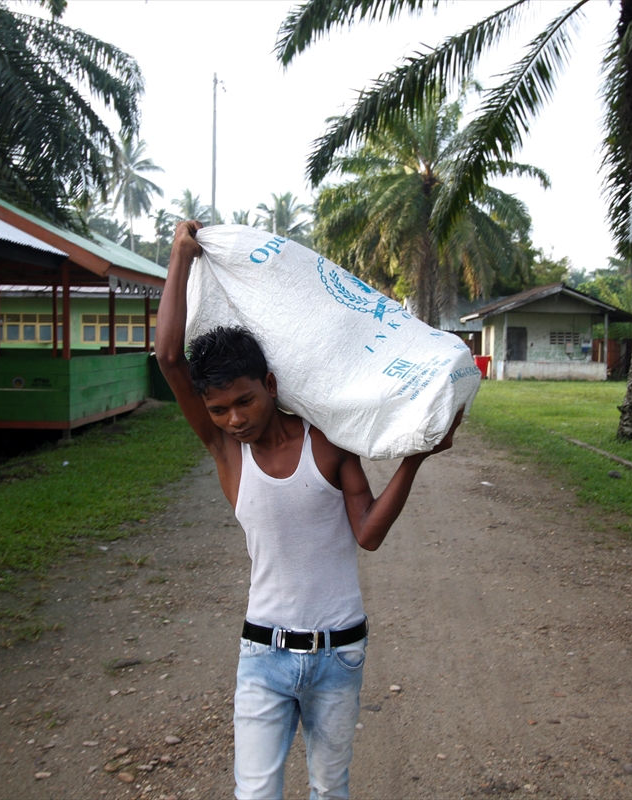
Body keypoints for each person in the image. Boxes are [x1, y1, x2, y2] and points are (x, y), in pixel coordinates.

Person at [155, 220, 462, 799]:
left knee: (329, 789)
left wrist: (415, 459)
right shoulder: (226, 452)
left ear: (271, 384)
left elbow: (368, 533)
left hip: (338, 652)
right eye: (219, 410)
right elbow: (170, 358)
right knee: (255, 793)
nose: (234, 419)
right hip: (262, 655)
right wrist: (180, 256)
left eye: (245, 401)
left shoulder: (326, 443)